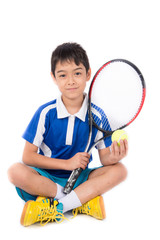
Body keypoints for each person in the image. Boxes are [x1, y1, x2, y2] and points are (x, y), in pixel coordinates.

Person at [8, 42, 128, 226]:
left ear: (88, 74)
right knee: (14, 171)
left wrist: (116, 156)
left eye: (77, 73)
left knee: (120, 170)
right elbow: (27, 157)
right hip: (46, 179)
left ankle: (55, 207)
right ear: (53, 77)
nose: (70, 81)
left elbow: (105, 160)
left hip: (80, 179)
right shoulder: (45, 113)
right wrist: (67, 164)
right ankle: (79, 202)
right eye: (62, 75)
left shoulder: (97, 116)